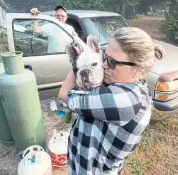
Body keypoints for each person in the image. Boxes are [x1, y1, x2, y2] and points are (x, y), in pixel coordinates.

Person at [58, 27, 164, 175]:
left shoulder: (127, 100)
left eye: (112, 62)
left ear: (137, 68)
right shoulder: (117, 84)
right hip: (81, 164)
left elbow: (64, 95)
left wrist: (78, 62)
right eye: (105, 57)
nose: (104, 65)